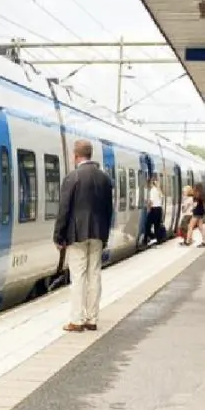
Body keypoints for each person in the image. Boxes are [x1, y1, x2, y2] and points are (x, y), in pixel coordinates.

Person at [54, 139, 114, 333]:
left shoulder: (73, 177)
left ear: (76, 156)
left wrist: (58, 236)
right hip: (98, 233)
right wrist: (105, 234)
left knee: (78, 277)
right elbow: (108, 210)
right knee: (94, 275)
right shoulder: (104, 179)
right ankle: (92, 319)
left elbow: (64, 209)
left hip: (76, 234)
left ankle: (77, 321)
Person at [144, 177, 164, 246]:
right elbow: (161, 197)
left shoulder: (152, 190)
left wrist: (148, 209)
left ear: (150, 183)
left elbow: (151, 201)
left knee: (147, 226)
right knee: (157, 226)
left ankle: (152, 238)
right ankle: (158, 241)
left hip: (154, 209)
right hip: (159, 209)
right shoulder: (157, 190)